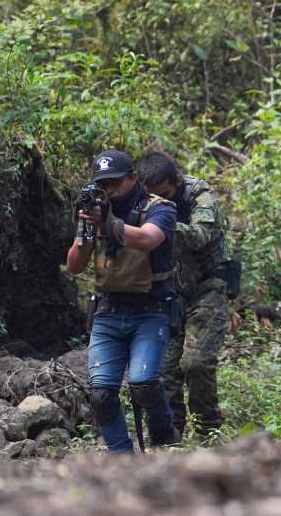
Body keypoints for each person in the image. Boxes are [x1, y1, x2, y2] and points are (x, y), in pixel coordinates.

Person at [66, 150, 179, 452]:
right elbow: (74, 266)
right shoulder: (95, 211)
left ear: (133, 178)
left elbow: (147, 239)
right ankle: (122, 460)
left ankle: (165, 436)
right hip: (108, 311)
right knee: (101, 394)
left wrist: (108, 223)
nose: (109, 190)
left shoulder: (160, 208)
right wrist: (86, 231)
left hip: (150, 310)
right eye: (103, 184)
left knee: (143, 384)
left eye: (115, 183)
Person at [138, 151, 231, 441]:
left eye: (165, 195)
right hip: (169, 292)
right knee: (164, 370)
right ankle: (170, 437)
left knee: (197, 363)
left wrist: (160, 226)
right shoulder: (145, 200)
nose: (160, 201)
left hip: (207, 288)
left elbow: (201, 236)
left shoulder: (200, 196)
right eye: (154, 197)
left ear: (177, 180)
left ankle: (208, 433)